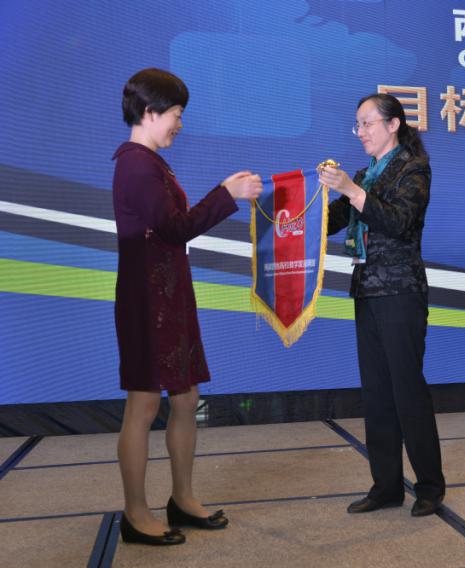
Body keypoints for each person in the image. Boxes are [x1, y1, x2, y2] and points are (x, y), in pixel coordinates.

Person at [112, 68, 262, 545]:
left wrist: (223, 194)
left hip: (168, 294)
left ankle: (182, 498)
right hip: (147, 299)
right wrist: (226, 195)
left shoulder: (151, 162)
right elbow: (175, 229)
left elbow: (170, 227)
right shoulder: (136, 165)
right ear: (150, 112)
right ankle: (136, 513)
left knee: (186, 398)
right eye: (176, 114)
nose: (180, 123)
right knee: (143, 403)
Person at [318, 93, 445, 517]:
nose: (360, 132)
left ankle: (430, 486)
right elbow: (336, 221)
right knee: (376, 394)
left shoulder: (414, 168)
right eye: (357, 124)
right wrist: (308, 202)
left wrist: (352, 190)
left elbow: (398, 221)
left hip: (401, 291)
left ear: (393, 125)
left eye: (367, 123)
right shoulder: (364, 174)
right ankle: (386, 486)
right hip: (367, 290)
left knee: (407, 390)